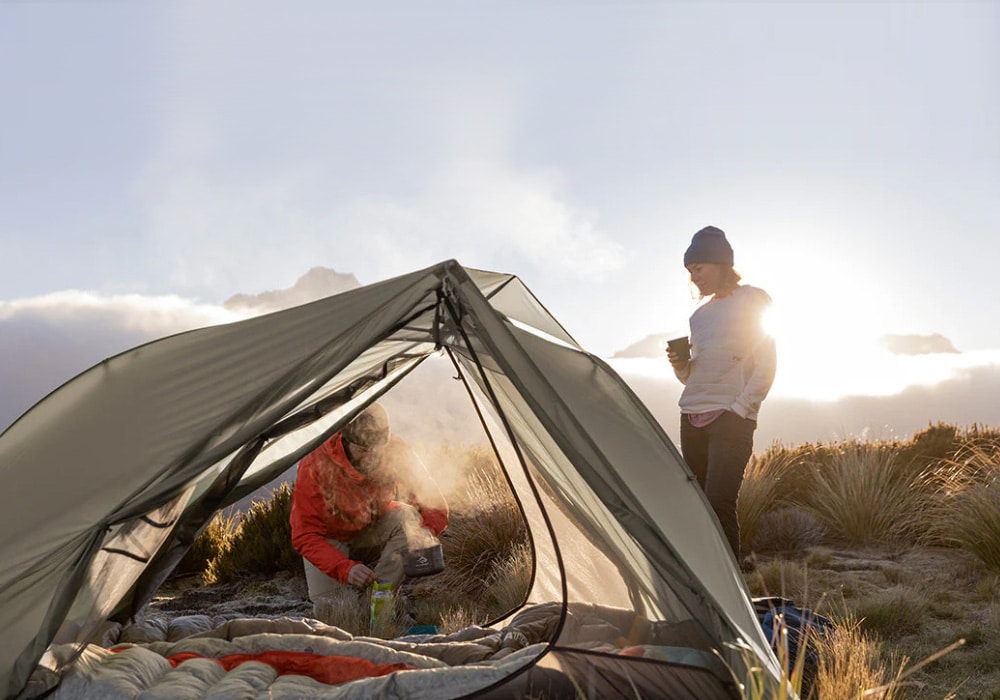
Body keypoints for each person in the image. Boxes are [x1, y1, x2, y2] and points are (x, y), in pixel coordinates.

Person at [666, 226, 776, 563]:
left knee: (719, 502)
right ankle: (707, 586)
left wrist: (741, 408)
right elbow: (693, 377)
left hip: (731, 419)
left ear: (720, 263)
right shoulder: (698, 316)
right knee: (699, 507)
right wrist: (679, 364)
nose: (693, 276)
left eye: (698, 267)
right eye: (689, 271)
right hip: (692, 415)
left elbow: (766, 360)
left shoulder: (753, 299)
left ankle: (733, 592)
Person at [290, 403, 449, 606]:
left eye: (378, 449)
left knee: (408, 518)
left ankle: (376, 597)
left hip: (375, 523)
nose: (372, 456)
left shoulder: (397, 451)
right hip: (331, 536)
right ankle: (352, 601)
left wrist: (425, 534)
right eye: (364, 450)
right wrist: (345, 569)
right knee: (333, 613)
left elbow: (434, 502)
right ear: (346, 441)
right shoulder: (315, 464)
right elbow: (305, 535)